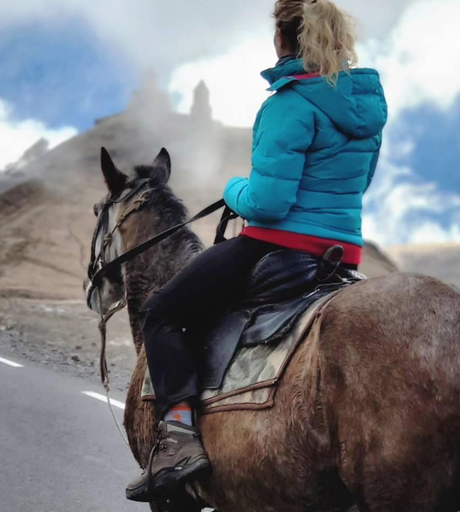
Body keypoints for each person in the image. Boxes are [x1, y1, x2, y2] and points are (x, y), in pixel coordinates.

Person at [126, 0, 387, 502]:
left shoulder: (288, 103)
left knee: (162, 312)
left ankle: (179, 437)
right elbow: (362, 182)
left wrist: (232, 190)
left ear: (284, 41)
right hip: (340, 252)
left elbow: (268, 204)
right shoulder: (367, 105)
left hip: (279, 243)